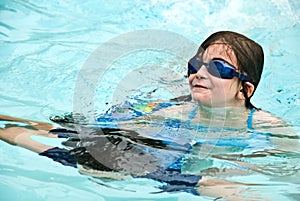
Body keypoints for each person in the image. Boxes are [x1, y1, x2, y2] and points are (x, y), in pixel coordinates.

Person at [0, 31, 297, 199]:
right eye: (196, 65)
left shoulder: (267, 125)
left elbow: (291, 169)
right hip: (171, 146)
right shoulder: (178, 111)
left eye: (217, 67)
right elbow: (91, 130)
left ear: (245, 89)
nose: (199, 74)